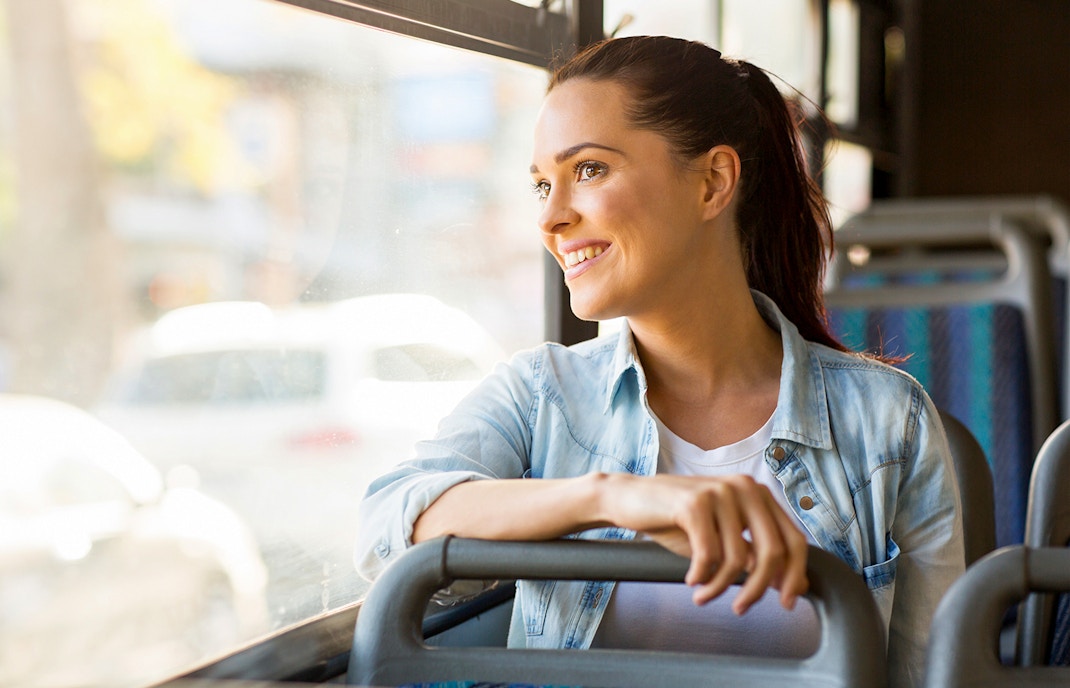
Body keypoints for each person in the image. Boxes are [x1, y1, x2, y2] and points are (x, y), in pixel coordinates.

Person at [355, 35, 964, 688]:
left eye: (587, 169)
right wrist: (613, 497)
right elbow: (389, 526)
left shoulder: (886, 421)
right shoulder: (542, 396)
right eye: (541, 185)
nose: (552, 218)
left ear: (711, 182)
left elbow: (927, 676)